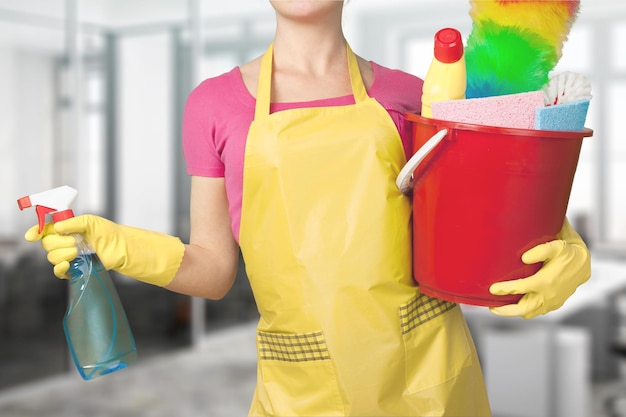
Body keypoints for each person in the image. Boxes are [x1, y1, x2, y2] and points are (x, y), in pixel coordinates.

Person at [26, 1, 591, 416]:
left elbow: (491, 210)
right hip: (302, 390)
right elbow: (213, 270)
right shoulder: (214, 105)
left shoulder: (411, 95)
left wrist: (566, 248)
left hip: (429, 381)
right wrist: (116, 244)